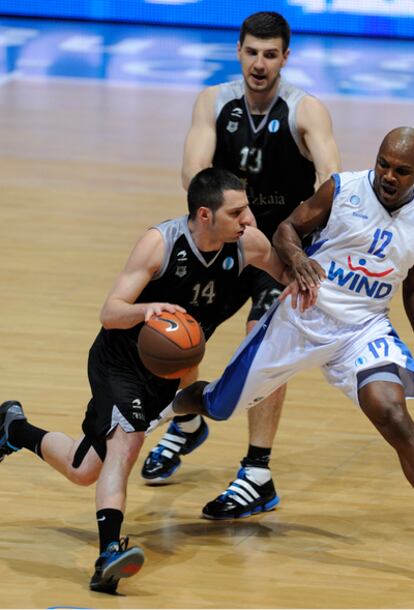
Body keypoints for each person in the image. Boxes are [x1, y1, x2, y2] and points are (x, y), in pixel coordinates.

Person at [0, 168, 314, 595]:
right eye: (237, 211)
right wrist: (147, 310)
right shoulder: (160, 243)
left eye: (248, 210)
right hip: (119, 361)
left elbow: (290, 275)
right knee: (126, 444)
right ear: (205, 215)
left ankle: (11, 427)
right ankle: (109, 553)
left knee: (85, 469)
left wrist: (300, 285)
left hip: (163, 374)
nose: (248, 220)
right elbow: (110, 312)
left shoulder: (246, 244)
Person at [141, 10, 341, 520]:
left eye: (270, 54)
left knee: (262, 342)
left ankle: (257, 472)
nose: (259, 63)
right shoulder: (213, 100)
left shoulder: (306, 110)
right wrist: (230, 223)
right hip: (232, 238)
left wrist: (303, 242)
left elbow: (331, 180)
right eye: (251, 51)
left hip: (282, 246)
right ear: (238, 50)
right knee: (179, 325)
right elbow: (193, 174)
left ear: (285, 58)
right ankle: (187, 422)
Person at [151, 127, 414, 495]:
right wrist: (297, 257)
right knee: (218, 403)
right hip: (303, 315)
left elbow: (412, 291)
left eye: (401, 171)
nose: (388, 175)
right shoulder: (343, 189)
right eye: (383, 164)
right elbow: (286, 228)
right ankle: (169, 410)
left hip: (362, 329)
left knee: (393, 416)